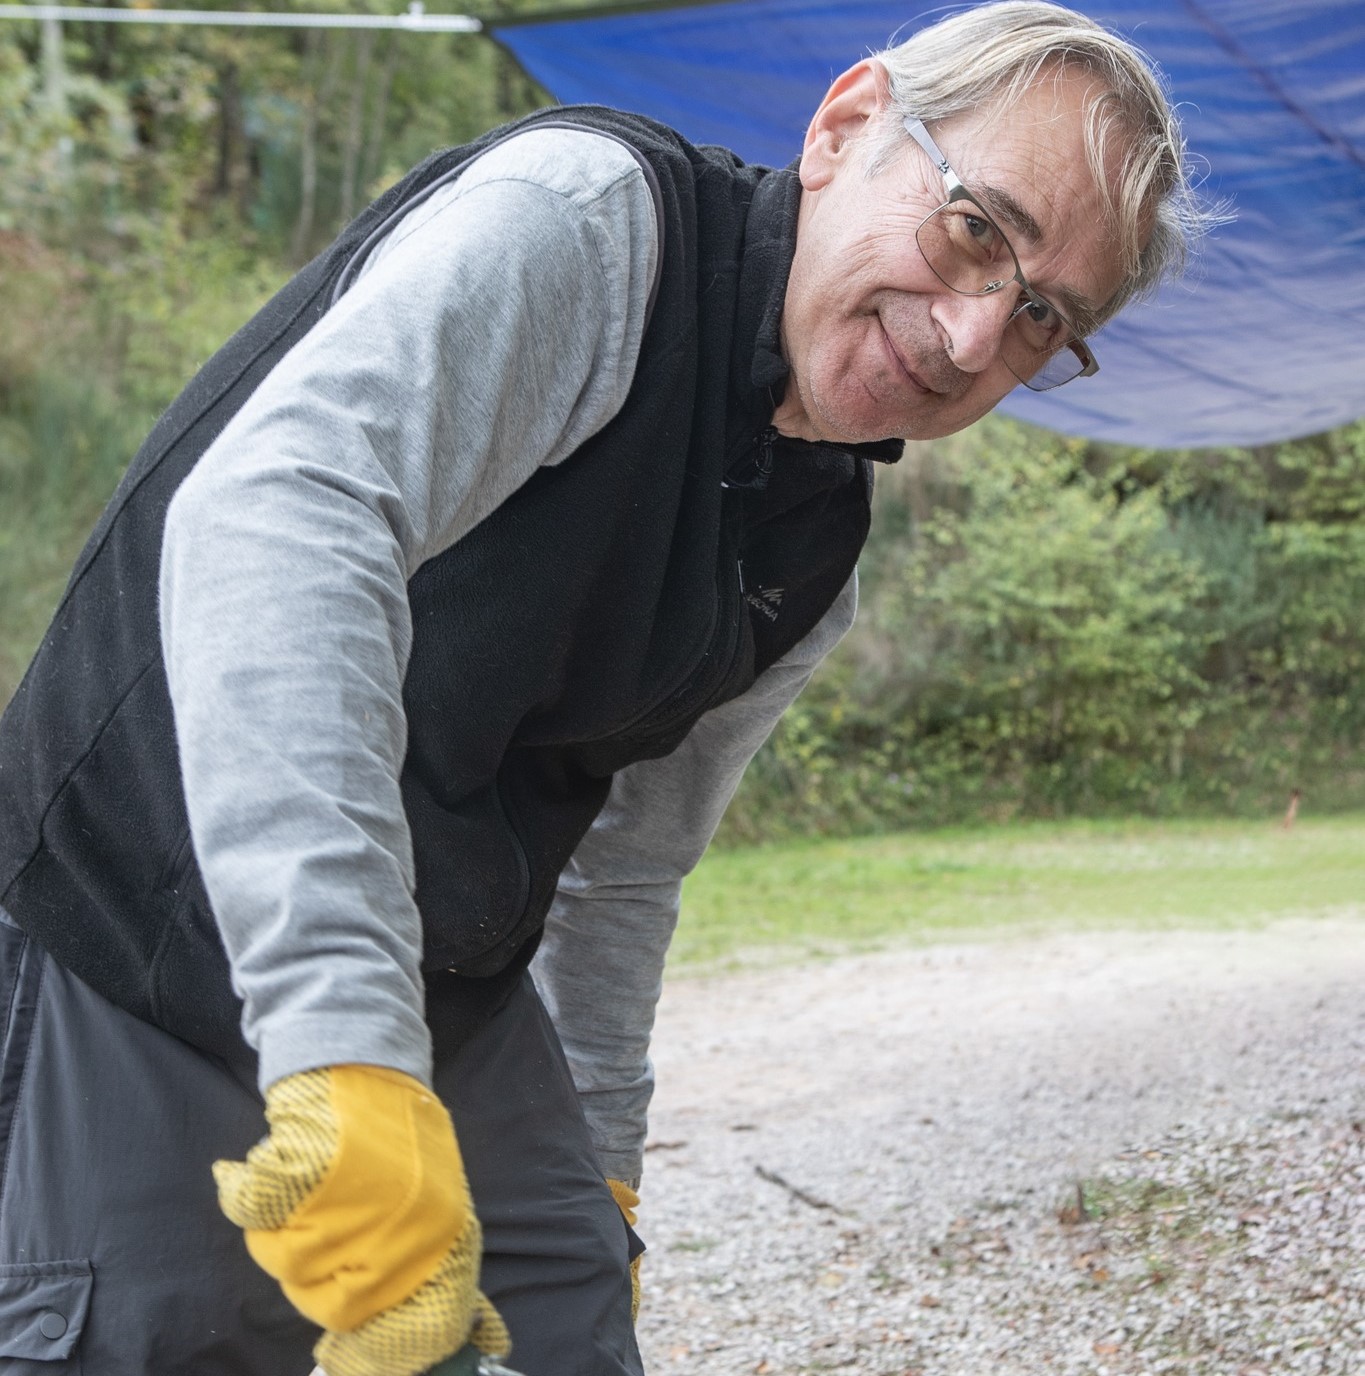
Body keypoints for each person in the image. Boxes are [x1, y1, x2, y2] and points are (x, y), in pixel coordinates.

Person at [0, 3, 1211, 1373]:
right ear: (843, 127)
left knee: (567, 1325)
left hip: (451, 971)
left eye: (1045, 316)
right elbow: (276, 517)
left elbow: (623, 866)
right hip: (143, 916)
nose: (970, 330)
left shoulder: (815, 548)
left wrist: (602, 1172)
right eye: (974, 228)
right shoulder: (591, 233)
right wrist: (341, 1044)